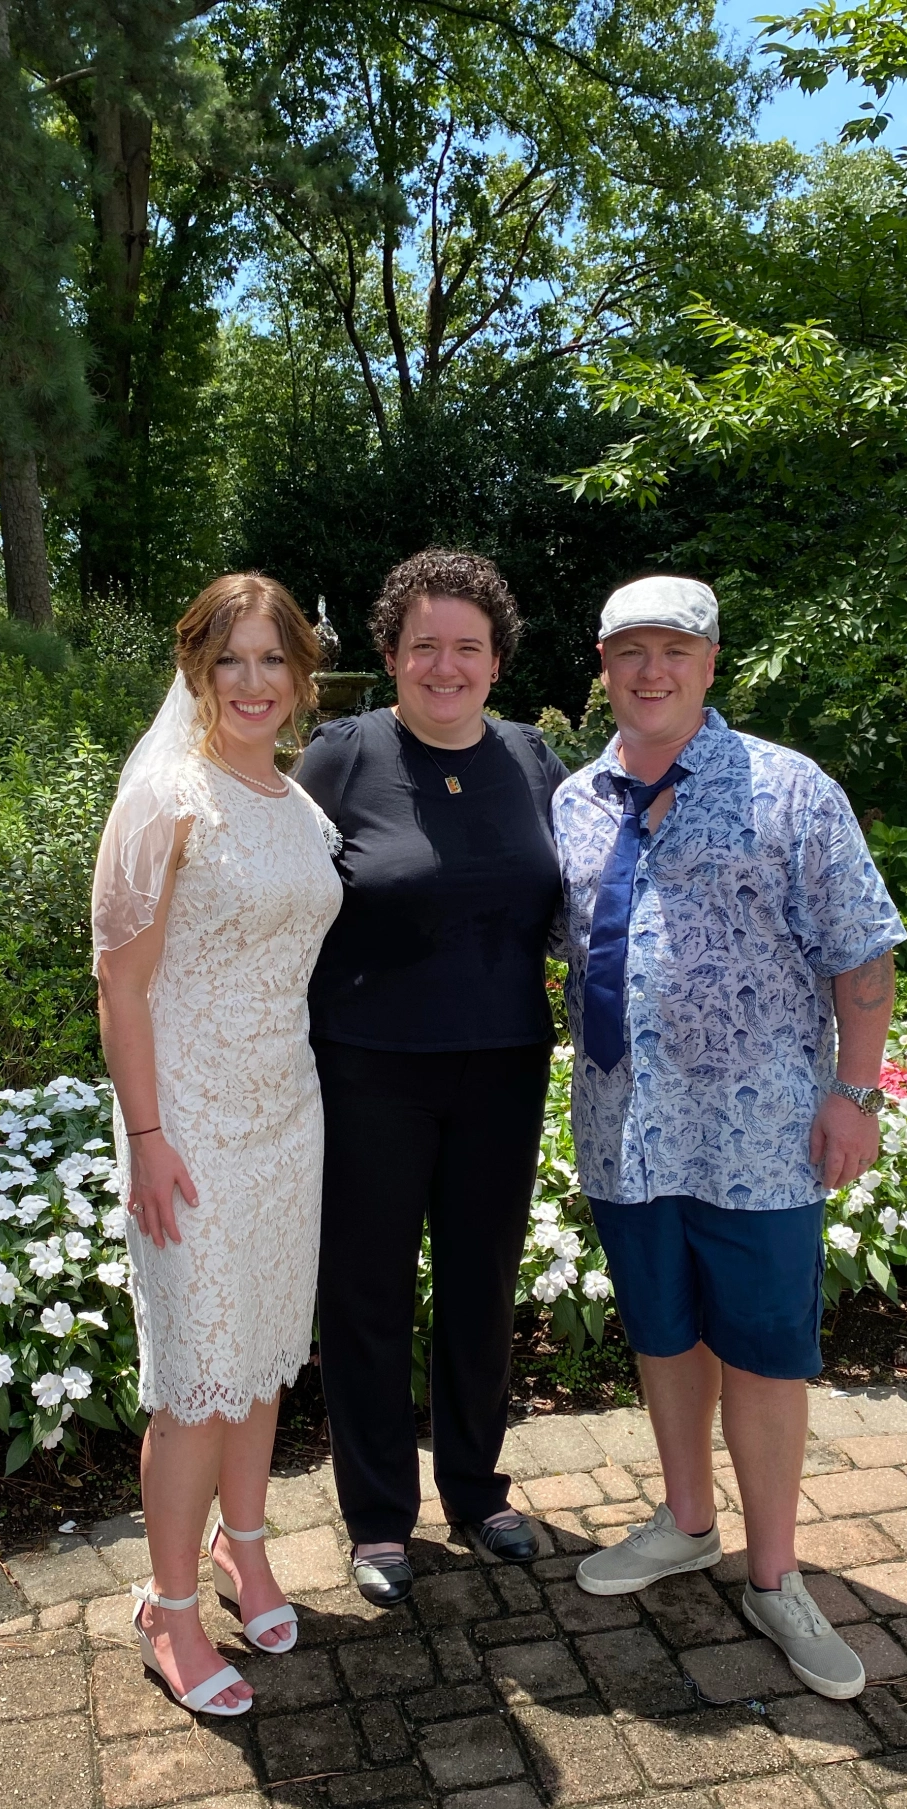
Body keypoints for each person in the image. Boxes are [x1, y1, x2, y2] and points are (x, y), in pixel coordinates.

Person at [550, 575, 906, 1698]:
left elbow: (863, 952)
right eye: (628, 651)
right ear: (602, 665)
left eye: (674, 650)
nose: (650, 671)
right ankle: (687, 1518)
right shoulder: (574, 802)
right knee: (662, 1332)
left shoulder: (789, 790)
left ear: (710, 664)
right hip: (626, 1130)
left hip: (757, 1139)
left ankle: (775, 1572)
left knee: (761, 1351)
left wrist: (858, 1092)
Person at [293, 550, 567, 1606]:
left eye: (467, 646)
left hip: (503, 1064)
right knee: (365, 1292)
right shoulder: (341, 757)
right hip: (368, 1068)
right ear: (392, 654)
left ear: (496, 659)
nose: (444, 665)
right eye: (424, 646)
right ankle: (376, 1516)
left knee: (479, 1286)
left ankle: (476, 1487)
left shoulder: (535, 757)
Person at [92, 573, 343, 1715]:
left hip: (288, 1113)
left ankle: (248, 1549)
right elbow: (121, 983)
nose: (254, 682)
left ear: (303, 676)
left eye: (274, 660)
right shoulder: (164, 799)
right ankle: (171, 1610)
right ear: (196, 666)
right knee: (198, 1375)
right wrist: (146, 1134)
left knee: (264, 1353)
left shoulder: (298, 804)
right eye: (230, 659)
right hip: (185, 1123)